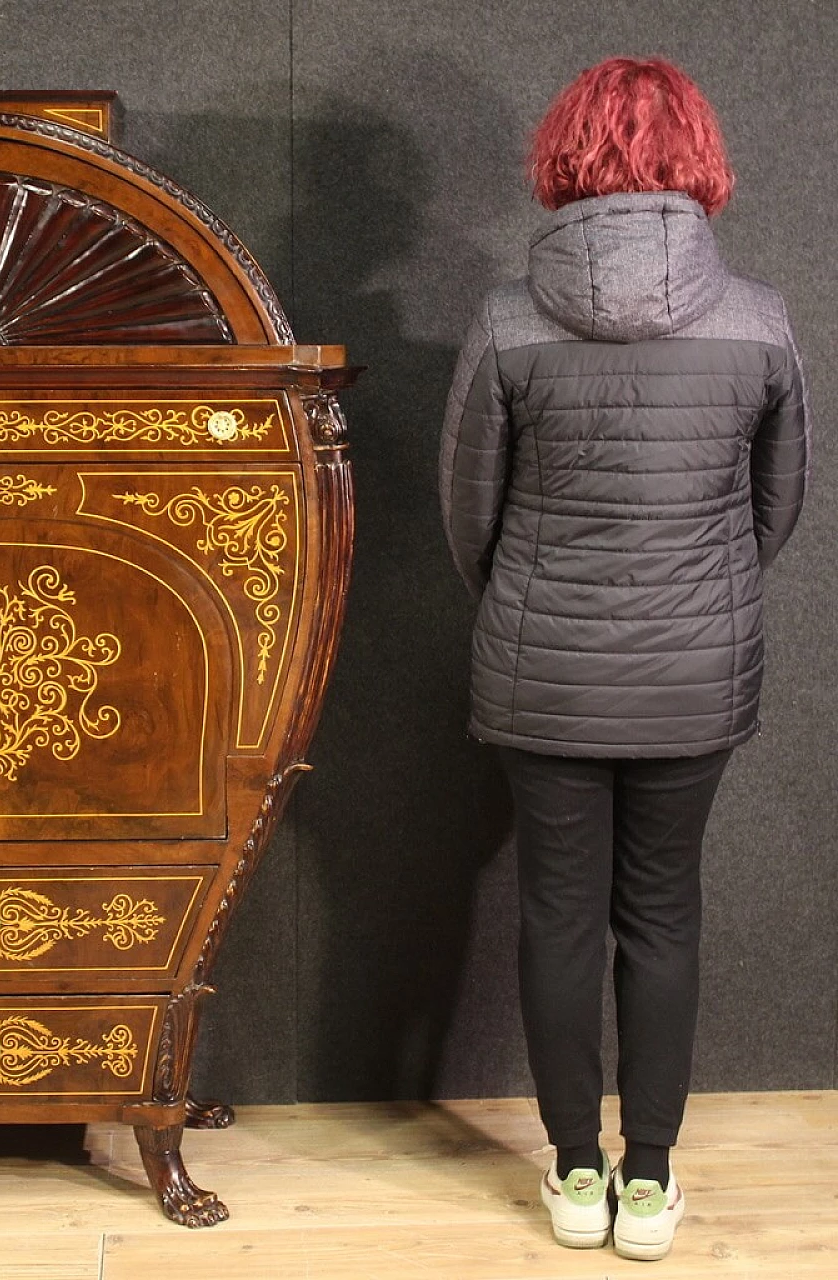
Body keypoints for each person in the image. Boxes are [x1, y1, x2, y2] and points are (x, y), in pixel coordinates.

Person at [439, 57, 809, 1261]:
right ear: (696, 157)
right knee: (662, 915)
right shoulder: (757, 317)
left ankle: (575, 1167)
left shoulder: (505, 319)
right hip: (696, 671)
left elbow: (467, 518)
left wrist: (534, 611)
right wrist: (698, 598)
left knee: (554, 916)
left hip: (539, 665)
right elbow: (775, 508)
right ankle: (648, 1181)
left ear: (563, 157)